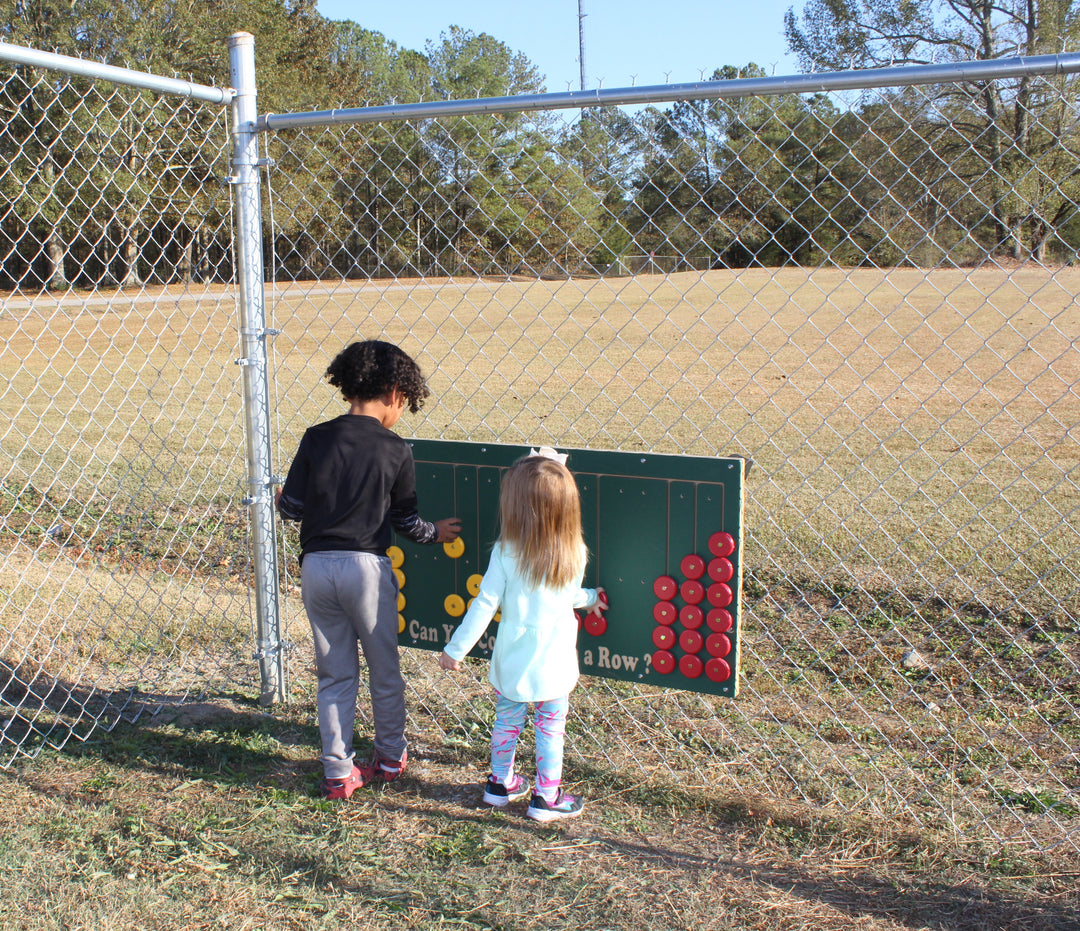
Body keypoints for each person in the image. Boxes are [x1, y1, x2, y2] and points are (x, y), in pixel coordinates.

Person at [277, 340, 461, 800]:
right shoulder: (395, 448)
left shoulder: (315, 437)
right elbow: (404, 521)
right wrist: (435, 534)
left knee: (334, 673)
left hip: (316, 568)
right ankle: (389, 757)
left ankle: (338, 771)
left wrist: (285, 500)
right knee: (384, 669)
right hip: (367, 569)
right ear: (396, 393)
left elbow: (293, 508)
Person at [439, 450, 606, 822]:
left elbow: (485, 603)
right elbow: (567, 596)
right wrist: (593, 598)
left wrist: (456, 649)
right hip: (554, 660)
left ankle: (500, 784)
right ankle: (546, 797)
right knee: (551, 727)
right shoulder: (574, 552)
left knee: (507, 720)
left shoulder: (505, 552)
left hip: (513, 656)